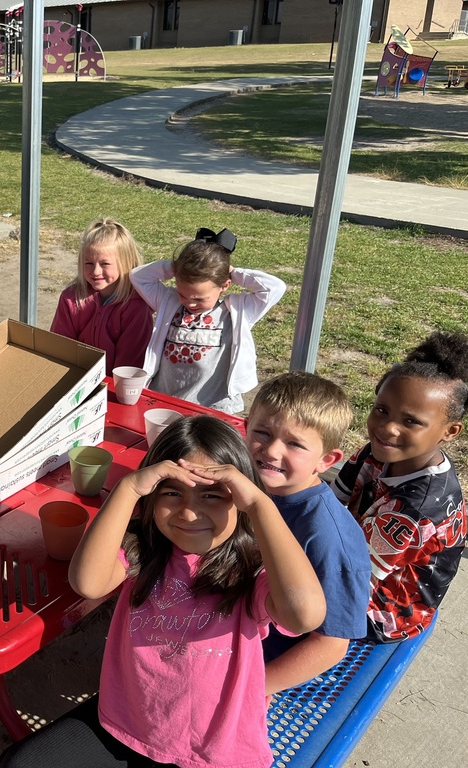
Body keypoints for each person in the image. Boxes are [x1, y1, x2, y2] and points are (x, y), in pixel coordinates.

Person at [0, 415, 325, 768]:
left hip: (212, 751)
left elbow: (305, 614)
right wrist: (127, 489)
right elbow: (87, 582)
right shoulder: (144, 549)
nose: (189, 511)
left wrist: (261, 504)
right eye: (172, 492)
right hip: (127, 725)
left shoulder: (252, 570)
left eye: (212, 494)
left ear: (240, 500)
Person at [332, 331, 468, 643]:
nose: (387, 427)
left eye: (411, 422)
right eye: (382, 410)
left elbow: (353, 581)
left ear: (450, 431)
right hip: (355, 561)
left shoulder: (417, 507)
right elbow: (329, 500)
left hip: (381, 612)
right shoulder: (376, 450)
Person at [247, 372, 371, 692]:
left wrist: (256, 688)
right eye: (262, 432)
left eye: (294, 444)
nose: (272, 451)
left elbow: (330, 645)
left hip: (258, 661)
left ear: (326, 460)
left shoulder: (329, 539)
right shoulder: (248, 483)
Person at [131, 227, 286, 413]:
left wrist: (232, 272)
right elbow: (138, 276)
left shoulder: (237, 311)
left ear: (224, 285)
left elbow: (274, 288)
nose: (190, 303)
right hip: (166, 401)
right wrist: (176, 267)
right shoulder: (168, 302)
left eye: (199, 299)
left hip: (213, 408)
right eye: (183, 294)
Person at [50, 218, 153, 374]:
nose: (96, 271)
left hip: (113, 387)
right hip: (75, 379)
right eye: (89, 263)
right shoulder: (71, 298)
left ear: (126, 262)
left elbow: (128, 366)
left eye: (105, 264)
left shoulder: (136, 306)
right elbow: (60, 348)